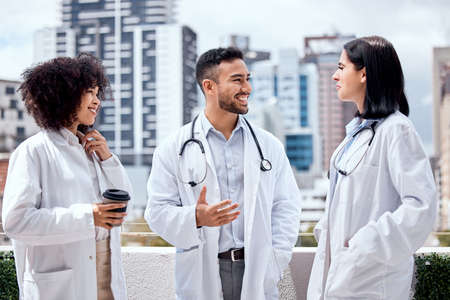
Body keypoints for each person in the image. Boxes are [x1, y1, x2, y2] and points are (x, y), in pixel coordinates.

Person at [145, 47, 301, 300]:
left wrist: (275, 260)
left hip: (258, 269)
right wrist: (195, 217)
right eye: (237, 80)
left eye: (248, 78)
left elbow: (287, 206)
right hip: (203, 272)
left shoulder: (269, 145)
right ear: (209, 86)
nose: (247, 88)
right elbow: (156, 212)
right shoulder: (173, 148)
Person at [307, 36, 437, 300]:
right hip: (341, 275)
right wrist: (328, 232)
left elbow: (421, 207)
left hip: (372, 280)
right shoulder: (356, 135)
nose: (335, 76)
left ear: (364, 73)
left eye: (342, 67)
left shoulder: (396, 129)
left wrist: (364, 244)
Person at [2, 53, 132, 300]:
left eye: (98, 94)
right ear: (64, 95)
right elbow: (16, 222)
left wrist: (108, 160)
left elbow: (122, 208)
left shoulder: (93, 150)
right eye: (90, 93)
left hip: (105, 286)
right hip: (59, 289)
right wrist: (87, 217)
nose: (97, 102)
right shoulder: (33, 151)